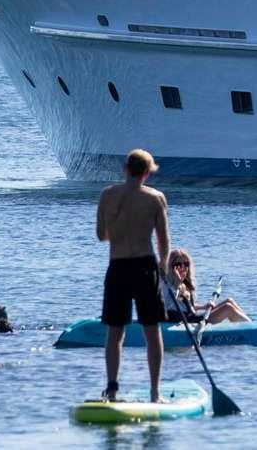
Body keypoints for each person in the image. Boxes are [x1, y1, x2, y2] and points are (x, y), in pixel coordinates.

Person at [95, 148, 170, 403]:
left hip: (118, 266)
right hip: (145, 266)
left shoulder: (107, 195)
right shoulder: (156, 198)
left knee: (115, 332)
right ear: (147, 173)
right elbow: (163, 241)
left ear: (126, 168)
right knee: (152, 330)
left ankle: (112, 389)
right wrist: (164, 265)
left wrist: (118, 222)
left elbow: (101, 236)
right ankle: (154, 393)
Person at [164, 248, 252, 325]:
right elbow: (169, 305)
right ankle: (252, 329)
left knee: (229, 301)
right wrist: (178, 284)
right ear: (172, 267)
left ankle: (251, 323)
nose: (183, 268)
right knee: (228, 308)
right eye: (179, 265)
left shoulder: (185, 283)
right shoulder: (167, 284)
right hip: (188, 322)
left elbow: (188, 305)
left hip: (193, 316)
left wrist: (204, 306)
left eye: (186, 264)